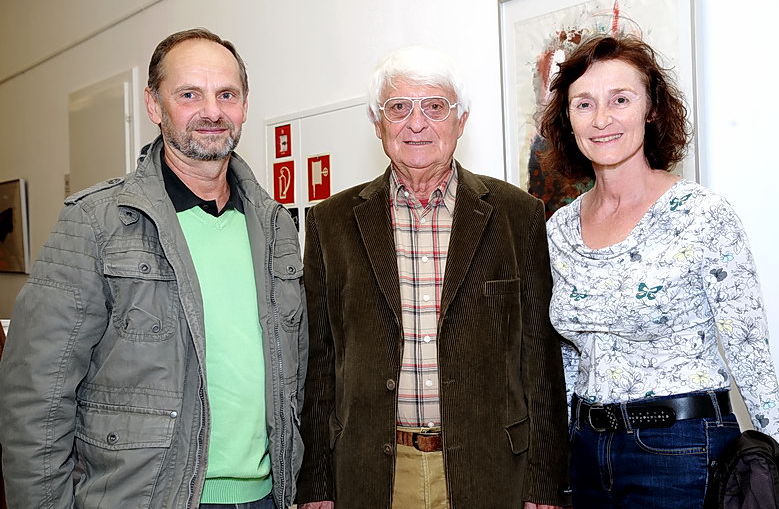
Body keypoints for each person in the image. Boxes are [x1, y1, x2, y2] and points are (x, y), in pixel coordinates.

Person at [0, 28, 307, 509]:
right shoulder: (95, 222)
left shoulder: (274, 226)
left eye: (227, 94)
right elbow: (37, 394)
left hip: (266, 497)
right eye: (189, 95)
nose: (212, 111)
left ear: (245, 106)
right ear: (153, 105)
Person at [295, 45, 569, 509]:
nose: (416, 123)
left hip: (491, 470)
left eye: (435, 107)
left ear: (461, 121)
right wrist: (317, 483)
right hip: (370, 473)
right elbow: (320, 364)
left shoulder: (517, 215)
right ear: (377, 122)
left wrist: (545, 483)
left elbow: (539, 360)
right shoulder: (330, 222)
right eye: (398, 107)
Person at [540, 34, 779, 508]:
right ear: (567, 119)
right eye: (584, 104)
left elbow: (751, 358)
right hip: (587, 455)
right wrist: (557, 460)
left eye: (620, 99)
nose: (602, 119)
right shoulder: (559, 229)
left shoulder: (702, 215)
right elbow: (570, 361)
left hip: (681, 451)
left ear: (652, 110)